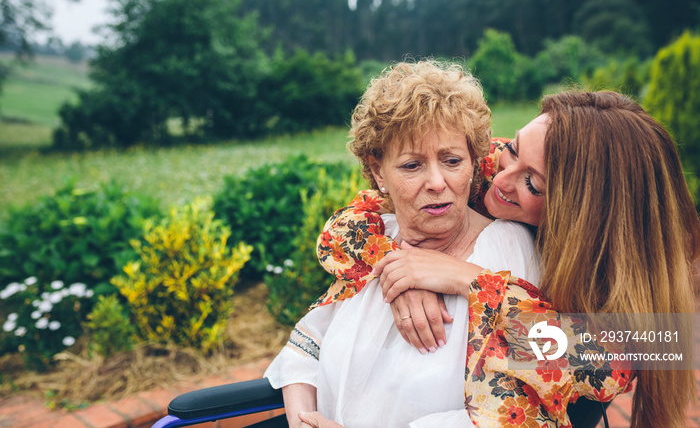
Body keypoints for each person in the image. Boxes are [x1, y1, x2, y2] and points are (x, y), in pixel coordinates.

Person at [314, 90, 700, 427]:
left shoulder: (626, 277)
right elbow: (352, 220)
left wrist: (471, 280)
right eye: (510, 150)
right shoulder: (496, 167)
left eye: (532, 183)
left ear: (591, 216)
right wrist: (397, 271)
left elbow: (602, 359)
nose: (499, 180)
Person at [264, 60, 540, 427]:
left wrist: (468, 281)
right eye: (412, 166)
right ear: (379, 172)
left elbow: (517, 409)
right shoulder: (376, 241)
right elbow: (305, 347)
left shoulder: (509, 251)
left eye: (452, 160)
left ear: (475, 161)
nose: (437, 182)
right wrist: (302, 420)